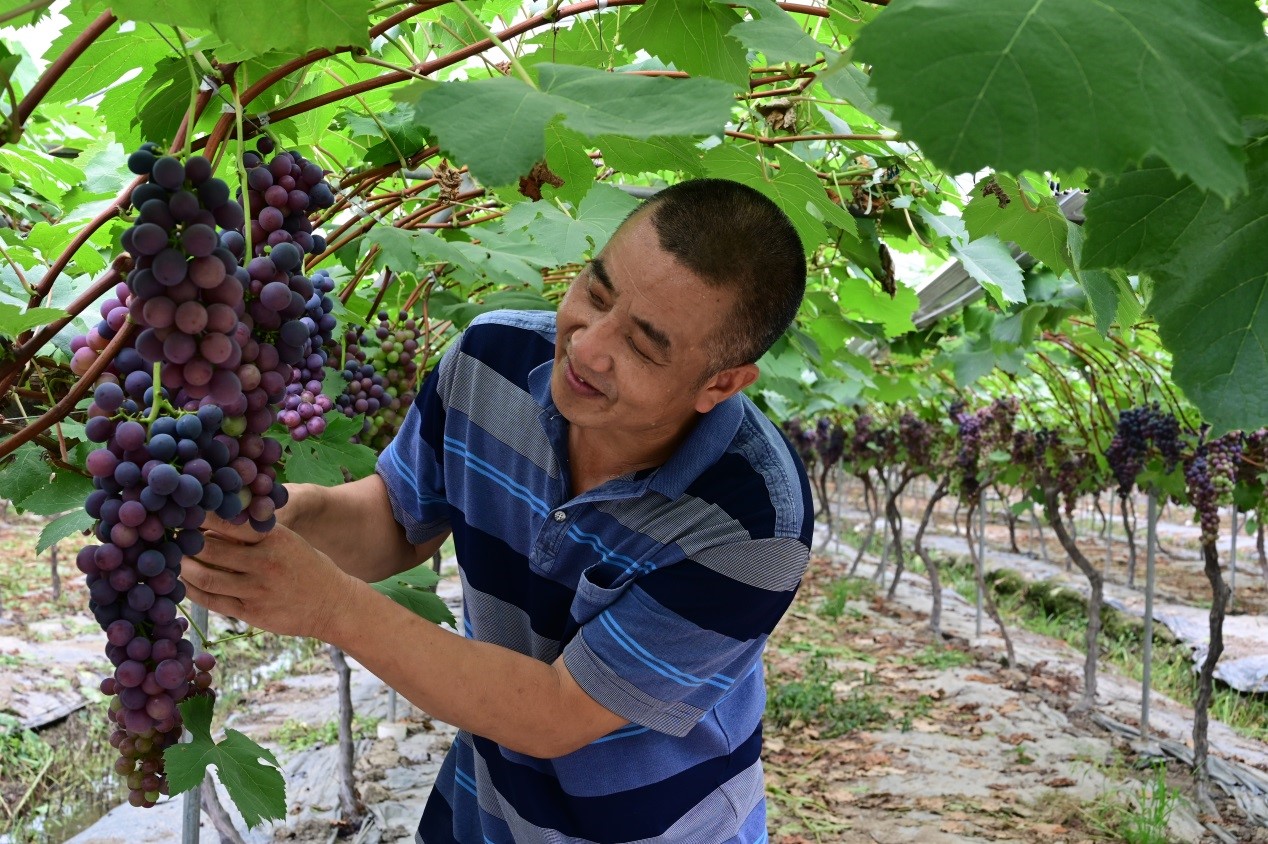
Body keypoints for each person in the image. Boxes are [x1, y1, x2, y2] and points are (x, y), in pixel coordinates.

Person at [181, 178, 814, 843]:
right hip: (482, 809)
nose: (589, 346)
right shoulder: (490, 358)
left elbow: (557, 715)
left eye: (644, 345)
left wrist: (329, 606)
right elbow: (398, 519)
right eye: (595, 294)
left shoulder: (754, 518)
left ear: (721, 382)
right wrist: (301, 514)